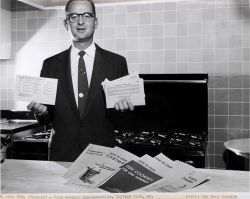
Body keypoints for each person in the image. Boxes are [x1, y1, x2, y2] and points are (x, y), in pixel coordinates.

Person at [27, 0, 134, 162]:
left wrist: (124, 109)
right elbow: (46, 116)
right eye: (73, 16)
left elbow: (121, 119)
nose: (81, 21)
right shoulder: (50, 65)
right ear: (66, 23)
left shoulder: (116, 63)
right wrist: (40, 112)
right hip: (62, 156)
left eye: (87, 15)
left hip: (103, 155)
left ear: (96, 21)